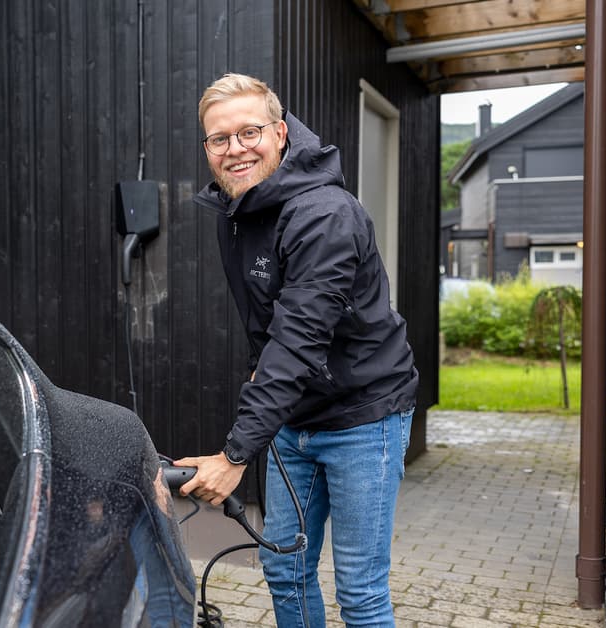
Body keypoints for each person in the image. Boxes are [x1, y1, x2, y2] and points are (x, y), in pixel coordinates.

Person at [174, 73, 419, 627]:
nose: (235, 149)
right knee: (284, 567)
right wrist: (261, 417)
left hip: (364, 416)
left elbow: (297, 340)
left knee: (359, 591)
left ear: (280, 133)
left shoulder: (325, 215)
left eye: (249, 132)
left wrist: (235, 455)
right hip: (295, 417)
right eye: (219, 138)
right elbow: (267, 332)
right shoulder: (238, 212)